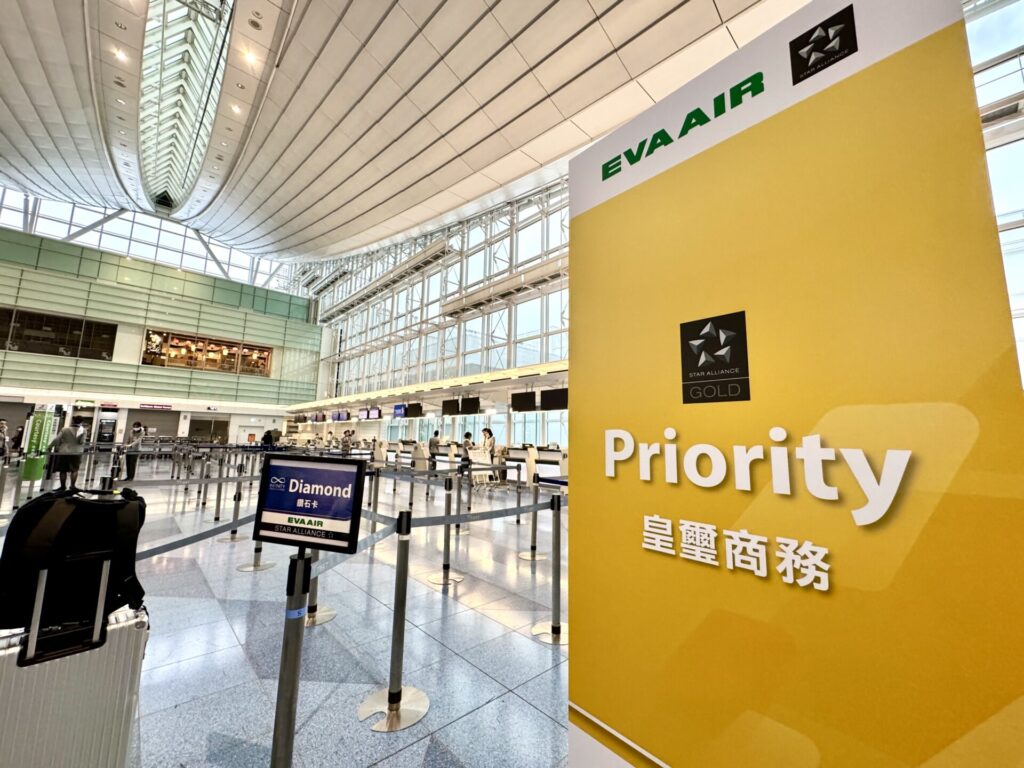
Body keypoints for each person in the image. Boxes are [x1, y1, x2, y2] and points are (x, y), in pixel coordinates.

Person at [48, 415, 86, 491]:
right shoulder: (83, 430)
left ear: (72, 421)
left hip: (64, 451)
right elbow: (82, 442)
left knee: (63, 470)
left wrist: (50, 446)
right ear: (81, 422)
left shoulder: (65, 429)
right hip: (76, 452)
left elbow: (57, 439)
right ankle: (72, 486)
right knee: (74, 470)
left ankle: (62, 487)